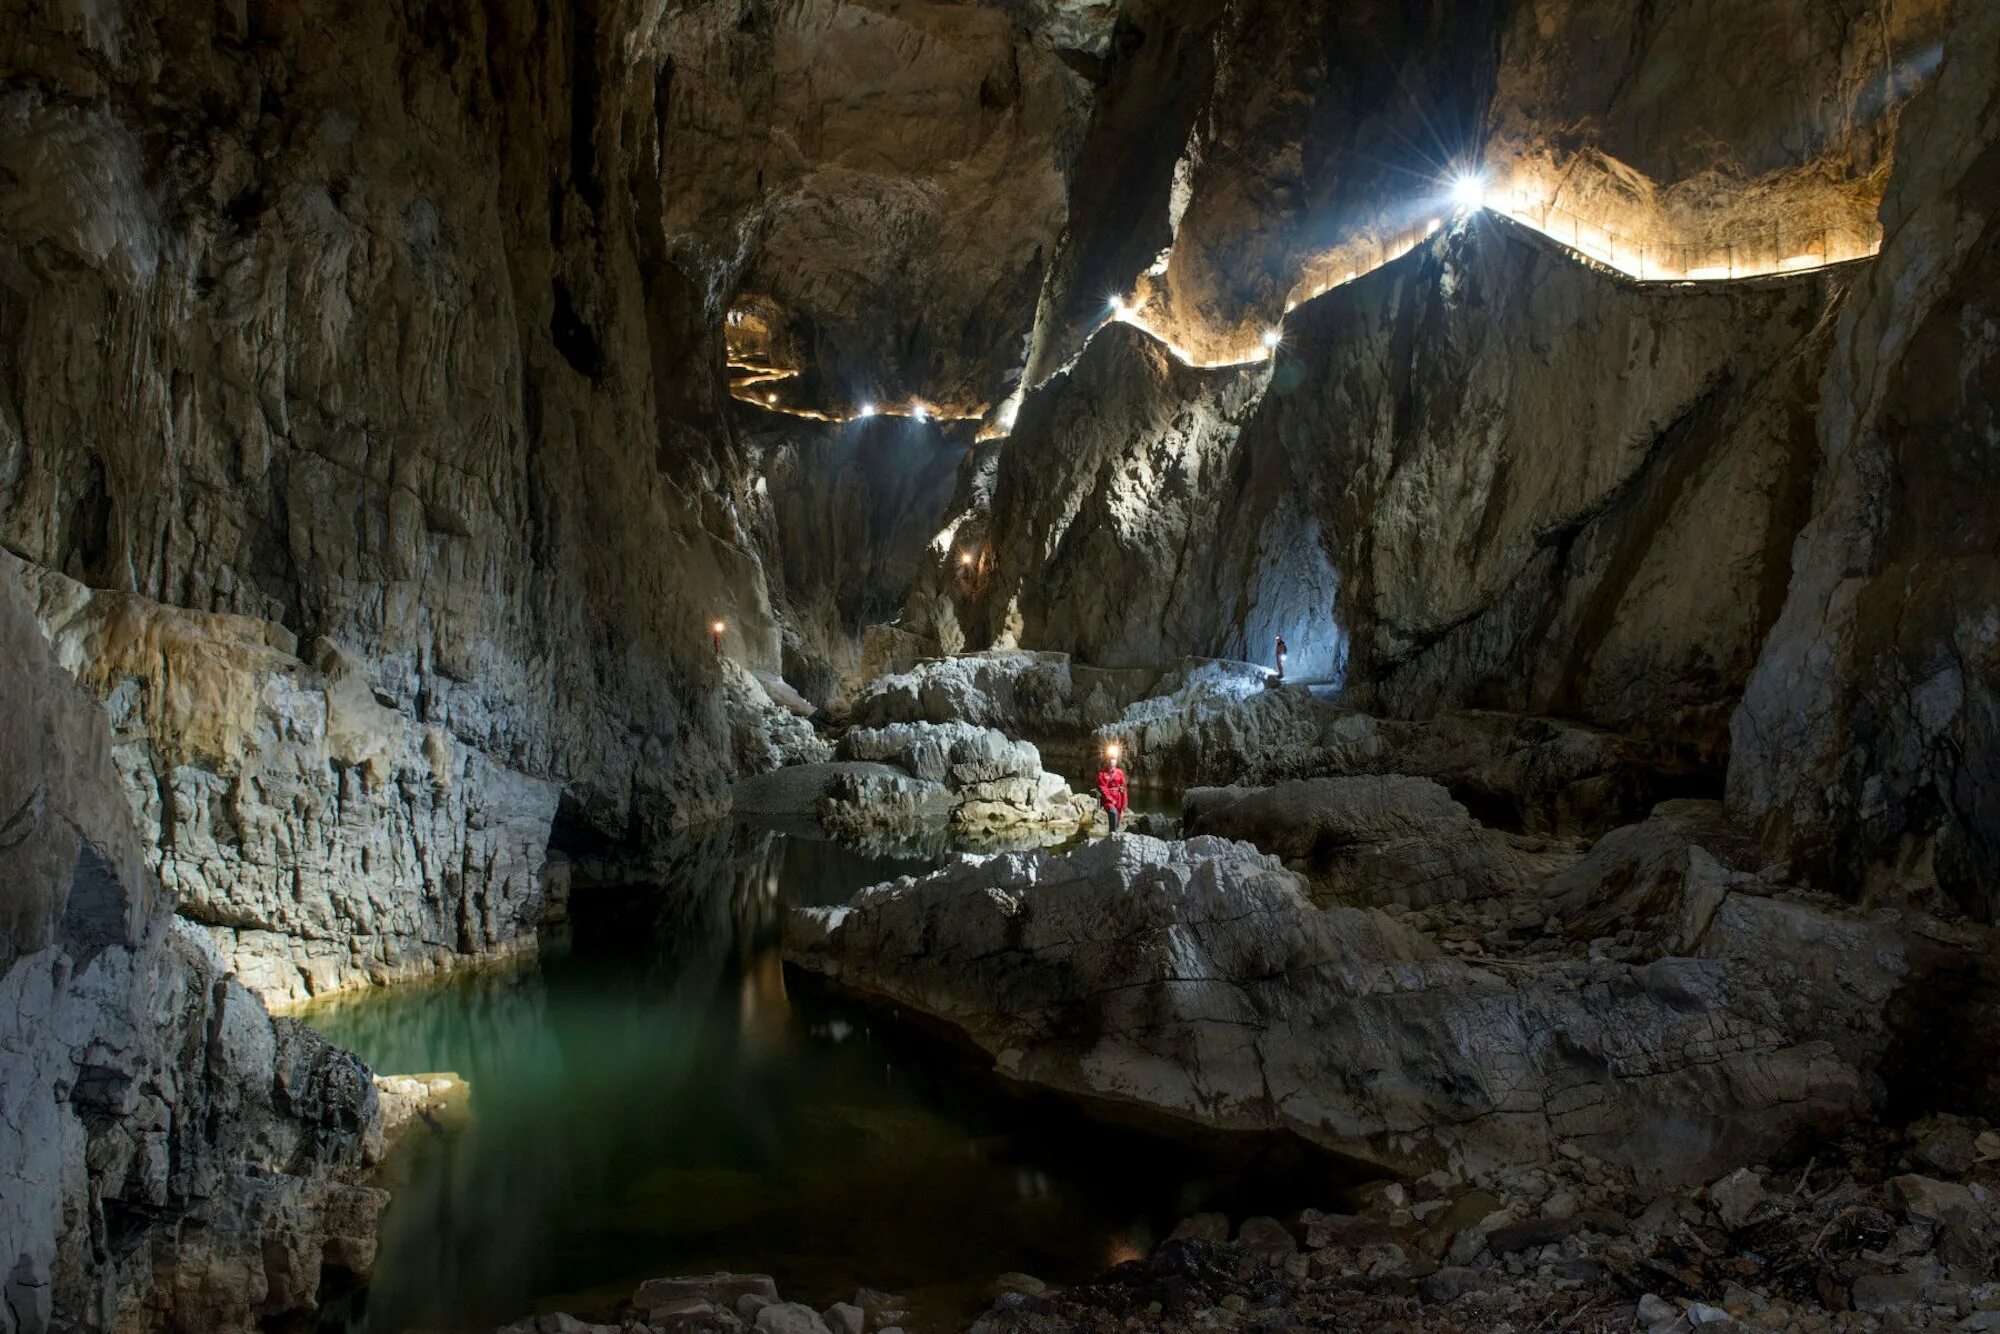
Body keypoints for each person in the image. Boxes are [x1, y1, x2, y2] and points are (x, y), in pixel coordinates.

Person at [1096, 746, 1130, 834]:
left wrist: (1124, 804)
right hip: (1108, 800)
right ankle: (1112, 835)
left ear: (1116, 761)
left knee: (1117, 819)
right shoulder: (1102, 774)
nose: (1112, 761)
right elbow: (1103, 788)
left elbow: (1123, 788)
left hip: (1119, 798)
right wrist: (1111, 799)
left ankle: (1113, 834)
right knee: (1113, 812)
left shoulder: (1119, 772)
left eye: (1114, 759)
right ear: (1107, 761)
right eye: (1110, 759)